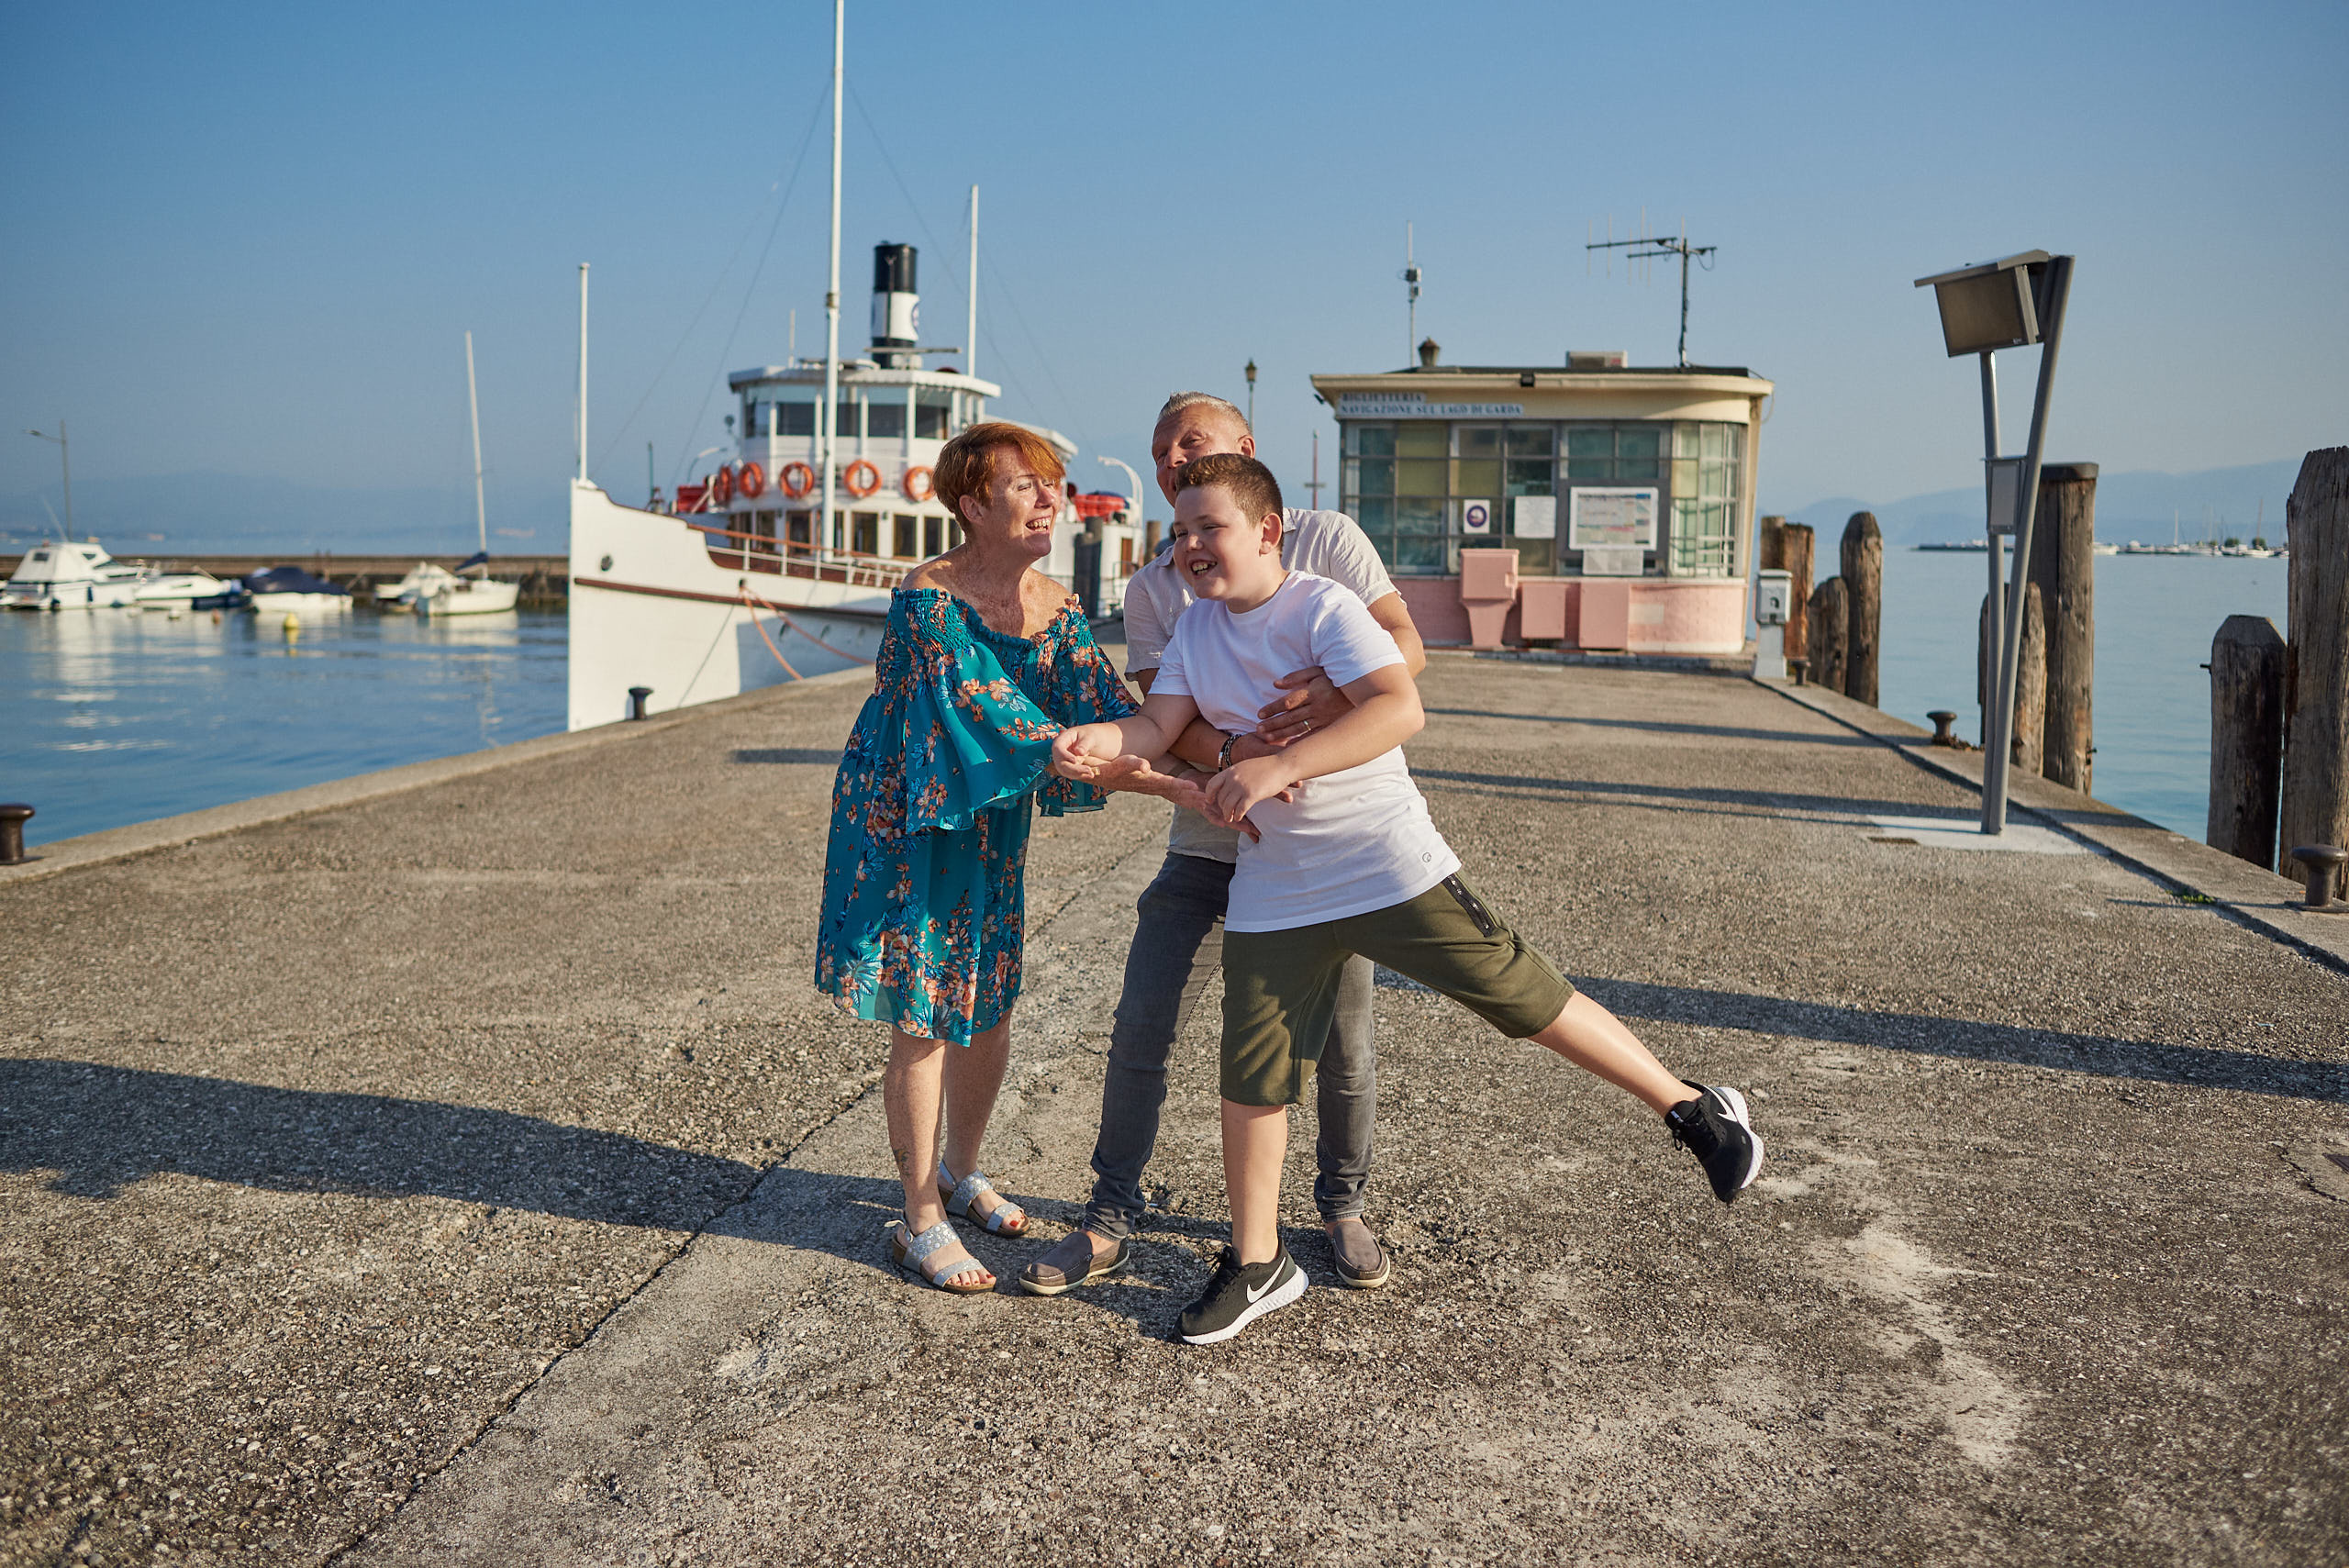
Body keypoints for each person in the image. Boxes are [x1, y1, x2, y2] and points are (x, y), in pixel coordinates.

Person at [1051, 453, 1765, 1343]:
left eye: (1211, 527)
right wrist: (1099, 735)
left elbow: (1398, 705)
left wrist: (1278, 764)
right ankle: (1258, 1260)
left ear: (1267, 531)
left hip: (1382, 859)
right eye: (1180, 530)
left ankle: (1691, 1107)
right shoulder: (1195, 632)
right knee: (1252, 1075)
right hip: (1276, 879)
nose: (1190, 544)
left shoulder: (1320, 604)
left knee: (1521, 996)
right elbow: (1157, 727)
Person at [1018, 392, 1426, 1299]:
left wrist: (1327, 703)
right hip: (1209, 836)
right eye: (1161, 450)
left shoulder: (1326, 538)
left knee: (1344, 1037)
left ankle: (1339, 1204)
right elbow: (1174, 719)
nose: (1169, 458)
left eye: (1189, 443)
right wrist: (1250, 757)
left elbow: (1404, 652)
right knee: (1142, 1021)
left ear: (1245, 451)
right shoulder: (1161, 583)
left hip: (1326, 842)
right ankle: (1108, 1216)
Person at [814, 421, 1210, 1294]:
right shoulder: (929, 596)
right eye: (1025, 484)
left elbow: (1109, 710)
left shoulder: (1056, 606)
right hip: (909, 817)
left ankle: (960, 1172)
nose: (1049, 498)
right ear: (971, 504)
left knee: (988, 999)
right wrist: (1170, 789)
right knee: (922, 1010)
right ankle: (918, 1216)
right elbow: (995, 713)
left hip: (990, 817)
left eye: (1051, 484)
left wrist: (1232, 767)